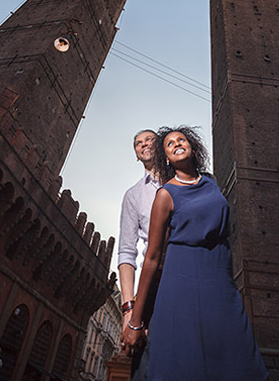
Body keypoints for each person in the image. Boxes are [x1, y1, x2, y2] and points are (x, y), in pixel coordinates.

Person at [122, 126, 267, 380]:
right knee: (178, 362)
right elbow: (148, 256)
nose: (177, 143)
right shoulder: (162, 194)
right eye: (170, 143)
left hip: (220, 283)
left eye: (182, 140)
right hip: (176, 283)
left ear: (193, 146)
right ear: (164, 156)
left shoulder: (210, 181)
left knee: (237, 358)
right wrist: (133, 316)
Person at [117, 129, 162, 380]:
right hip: (153, 283)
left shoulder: (184, 181)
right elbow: (126, 251)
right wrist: (128, 309)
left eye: (149, 140)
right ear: (136, 154)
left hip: (188, 276)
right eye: (138, 143)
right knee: (146, 366)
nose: (143, 145)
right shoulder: (133, 195)